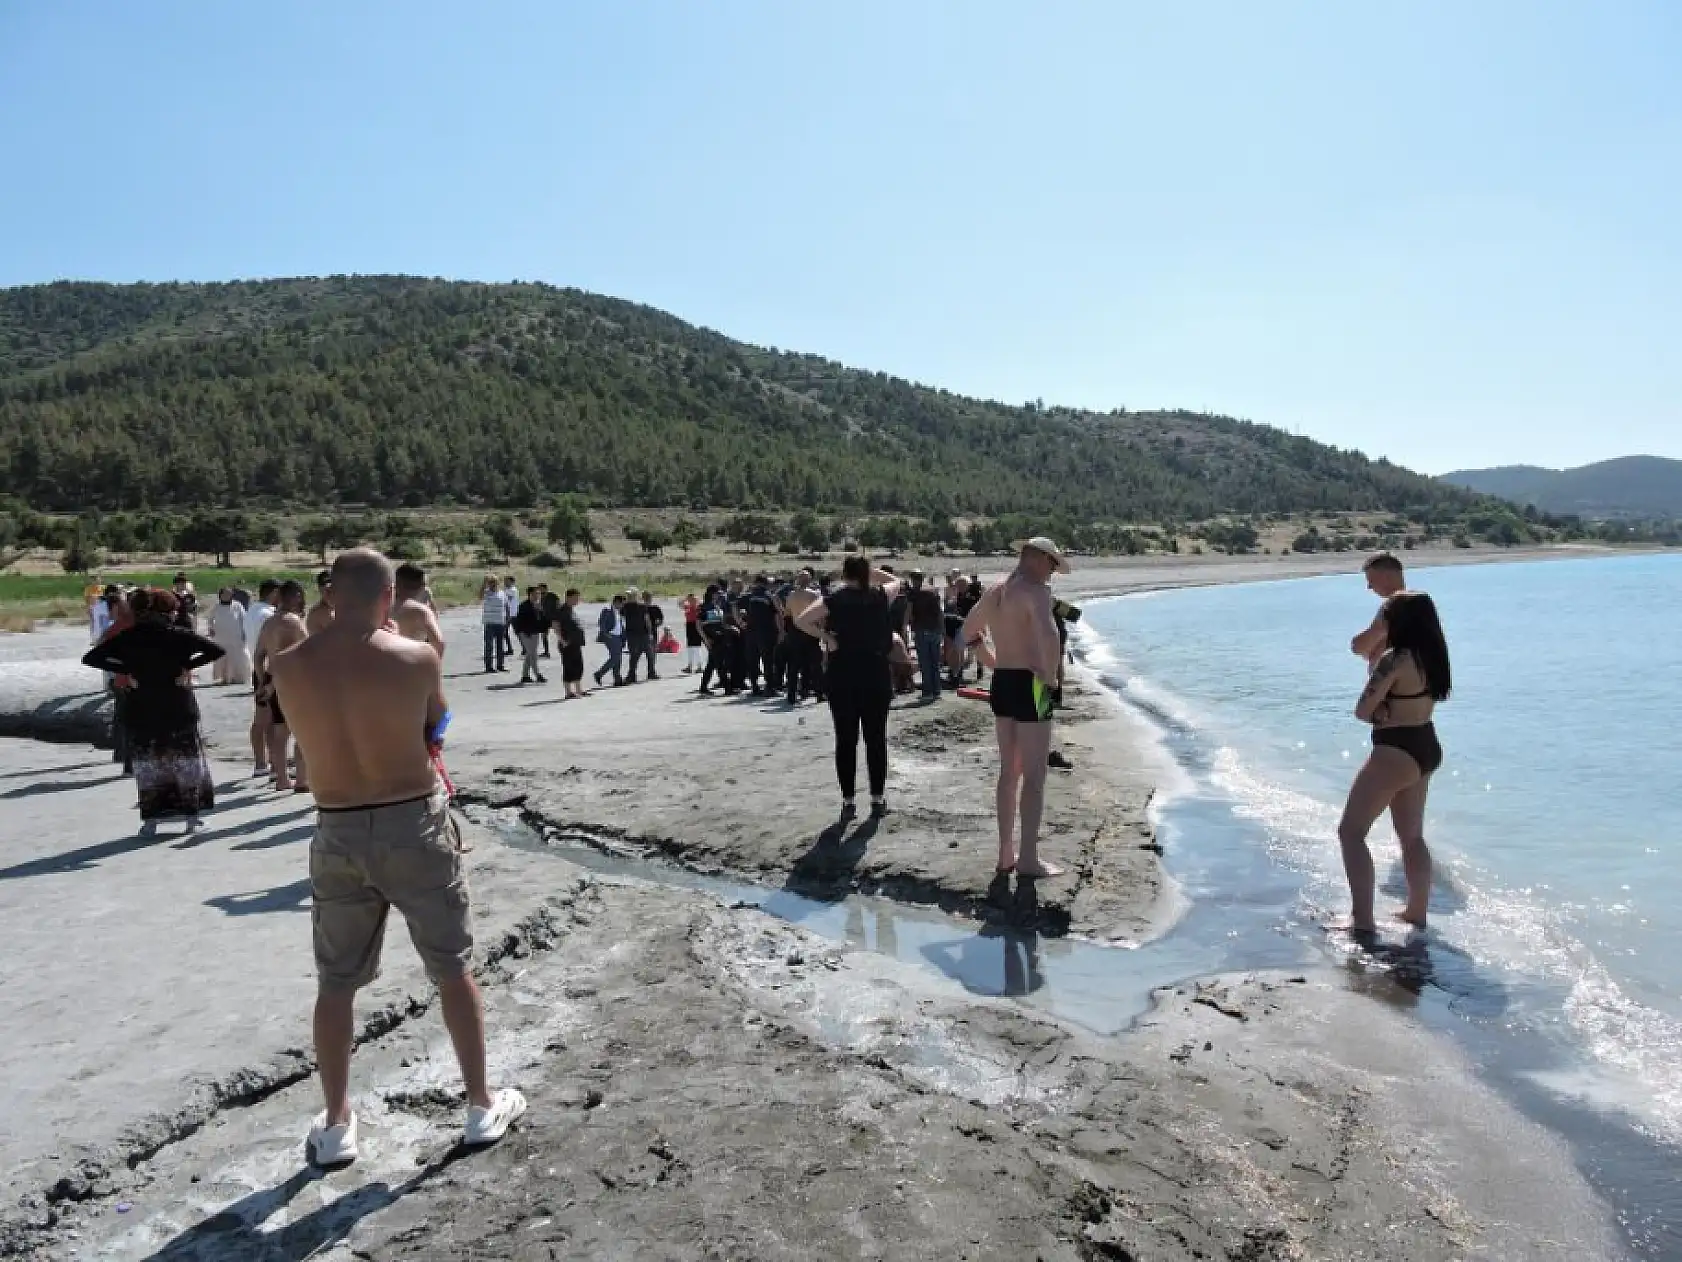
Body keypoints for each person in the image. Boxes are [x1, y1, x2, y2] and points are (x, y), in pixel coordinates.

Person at [267, 548, 526, 1165]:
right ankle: (480, 1103)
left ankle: (335, 1125)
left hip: (336, 826)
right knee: (451, 967)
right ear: (389, 597)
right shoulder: (416, 659)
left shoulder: (287, 665)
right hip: (411, 817)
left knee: (336, 980)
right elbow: (434, 729)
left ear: (330, 595)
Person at [1339, 591, 1451, 936]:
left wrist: (1381, 709)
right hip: (1426, 744)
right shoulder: (1434, 657)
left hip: (1395, 749)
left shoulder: (1395, 659)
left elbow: (1362, 710)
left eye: (1385, 616)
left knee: (1350, 832)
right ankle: (1416, 914)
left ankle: (1362, 922)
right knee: (1412, 837)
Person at [962, 537, 1069, 878]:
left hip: (1003, 681)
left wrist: (992, 661)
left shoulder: (997, 591)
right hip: (1033, 684)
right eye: (1051, 564)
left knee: (1010, 771)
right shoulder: (1036, 591)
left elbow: (968, 631)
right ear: (1038, 559)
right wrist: (1050, 679)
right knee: (1035, 775)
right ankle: (1028, 860)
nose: (1052, 572)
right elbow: (1050, 636)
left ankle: (1005, 852)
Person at [81, 588, 224, 835]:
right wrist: (186, 666)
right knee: (185, 761)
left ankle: (151, 820)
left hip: (142, 704)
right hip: (177, 704)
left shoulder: (129, 637)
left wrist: (125, 669)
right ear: (166, 611)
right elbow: (215, 650)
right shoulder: (178, 635)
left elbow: (92, 658)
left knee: (149, 763)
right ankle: (192, 818)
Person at [795, 554, 901, 816]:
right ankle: (877, 799)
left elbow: (801, 620)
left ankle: (848, 801)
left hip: (842, 674)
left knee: (846, 740)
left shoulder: (834, 599)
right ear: (865, 573)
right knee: (876, 739)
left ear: (844, 574)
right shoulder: (880, 596)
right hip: (875, 673)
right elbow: (896, 580)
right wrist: (871, 572)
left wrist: (827, 638)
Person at [254, 580, 310, 792]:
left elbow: (259, 656)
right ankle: (303, 780)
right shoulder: (293, 622)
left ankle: (282, 779)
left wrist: (263, 682)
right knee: (303, 730)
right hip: (294, 682)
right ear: (296, 596)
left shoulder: (269, 623)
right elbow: (308, 651)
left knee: (280, 731)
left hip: (273, 681)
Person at [1351, 552, 1407, 667]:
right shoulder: (1420, 606)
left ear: (1387, 576)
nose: (1369, 587)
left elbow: (1360, 647)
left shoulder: (1395, 606)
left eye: (1371, 580)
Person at [783, 569, 824, 705]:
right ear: (810, 580)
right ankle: (818, 693)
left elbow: (787, 614)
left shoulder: (791, 595)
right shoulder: (814, 594)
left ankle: (791, 695)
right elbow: (820, 614)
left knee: (794, 665)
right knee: (815, 664)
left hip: (796, 630)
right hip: (811, 630)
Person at [393, 563, 446, 660]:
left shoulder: (381, 605)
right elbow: (438, 643)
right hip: (412, 659)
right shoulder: (421, 611)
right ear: (421, 586)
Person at [907, 571, 945, 701]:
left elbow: (909, 613)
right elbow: (940, 612)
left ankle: (927, 691)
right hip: (935, 630)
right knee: (935, 662)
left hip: (922, 630)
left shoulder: (914, 593)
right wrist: (942, 630)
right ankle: (937, 690)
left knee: (925, 662)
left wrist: (905, 626)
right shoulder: (933, 591)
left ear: (914, 580)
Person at [208, 587, 252, 685]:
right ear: (220, 595)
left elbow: (244, 619)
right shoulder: (216, 607)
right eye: (225, 594)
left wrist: (245, 632)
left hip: (236, 636)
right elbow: (210, 619)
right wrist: (211, 628)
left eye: (229, 594)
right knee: (222, 657)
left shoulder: (237, 605)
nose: (228, 596)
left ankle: (239, 677)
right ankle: (224, 678)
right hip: (221, 637)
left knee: (238, 657)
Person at [556, 588, 588, 698]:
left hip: (575, 643)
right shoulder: (562, 610)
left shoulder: (571, 610)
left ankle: (579, 690)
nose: (577, 600)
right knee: (568, 667)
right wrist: (562, 640)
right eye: (575, 598)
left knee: (578, 666)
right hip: (567, 644)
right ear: (568, 597)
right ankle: (568, 692)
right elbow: (556, 626)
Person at [513, 586, 548, 684]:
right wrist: (521, 632)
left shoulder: (539, 606)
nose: (537, 596)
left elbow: (543, 620)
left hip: (535, 633)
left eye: (538, 594)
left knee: (530, 654)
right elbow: (519, 621)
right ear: (529, 595)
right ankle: (538, 675)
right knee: (533, 654)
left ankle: (525, 676)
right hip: (525, 633)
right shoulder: (524, 606)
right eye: (534, 594)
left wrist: (545, 629)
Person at [594, 594, 627, 687]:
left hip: (619, 637)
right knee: (615, 658)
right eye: (622, 604)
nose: (623, 606)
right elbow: (602, 623)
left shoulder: (619, 611)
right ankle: (599, 674)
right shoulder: (607, 610)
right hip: (611, 636)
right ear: (616, 602)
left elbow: (621, 625)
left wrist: (623, 637)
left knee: (618, 658)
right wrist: (606, 634)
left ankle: (617, 679)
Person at [622, 589, 655, 684]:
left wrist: (650, 633)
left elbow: (647, 620)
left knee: (649, 654)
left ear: (636, 595)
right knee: (634, 656)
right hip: (632, 634)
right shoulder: (625, 607)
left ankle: (651, 673)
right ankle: (632, 675)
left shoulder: (642, 606)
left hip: (643, 634)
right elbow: (622, 619)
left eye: (631, 595)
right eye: (628, 595)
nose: (629, 597)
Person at [479, 574, 508, 674]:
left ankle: (500, 665)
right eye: (490, 582)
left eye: (494, 582)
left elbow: (506, 606)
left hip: (500, 622)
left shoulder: (502, 593)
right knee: (489, 645)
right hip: (489, 622)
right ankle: (489, 666)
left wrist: (507, 619)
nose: (493, 584)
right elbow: (479, 596)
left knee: (500, 645)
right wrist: (484, 583)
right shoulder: (486, 593)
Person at [305, 569, 335, 636]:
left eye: (333, 589)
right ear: (320, 590)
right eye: (327, 591)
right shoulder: (317, 613)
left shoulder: (338, 608)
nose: (331, 593)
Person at [681, 593, 704, 674]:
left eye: (692, 599)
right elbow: (680, 604)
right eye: (690, 599)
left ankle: (699, 666)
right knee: (690, 647)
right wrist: (685, 600)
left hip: (696, 625)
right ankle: (690, 666)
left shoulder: (698, 607)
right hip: (689, 626)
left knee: (697, 647)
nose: (691, 601)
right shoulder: (688, 607)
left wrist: (695, 601)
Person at [538, 585, 561, 659]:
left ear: (546, 589)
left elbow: (558, 605)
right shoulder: (541, 597)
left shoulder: (553, 595)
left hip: (554, 618)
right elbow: (541, 608)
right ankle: (546, 652)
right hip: (546, 619)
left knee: (559, 634)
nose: (540, 591)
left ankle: (565, 650)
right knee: (544, 635)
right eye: (539, 589)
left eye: (541, 589)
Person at [500, 575, 519, 661]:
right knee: (505, 632)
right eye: (505, 581)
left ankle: (523, 648)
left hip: (512, 614)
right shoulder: (507, 590)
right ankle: (510, 649)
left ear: (511, 582)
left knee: (515, 632)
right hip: (508, 614)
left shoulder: (512, 590)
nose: (505, 582)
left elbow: (506, 600)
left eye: (507, 581)